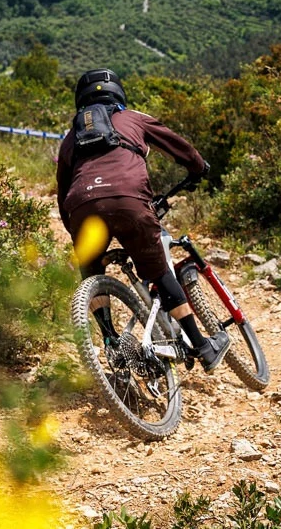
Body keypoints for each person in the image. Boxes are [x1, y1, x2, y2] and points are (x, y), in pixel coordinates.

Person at [56, 68, 231, 372]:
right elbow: (177, 145)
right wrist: (197, 166)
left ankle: (110, 341)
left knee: (91, 269)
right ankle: (202, 345)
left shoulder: (70, 138)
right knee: (159, 272)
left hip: (81, 207)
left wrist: (73, 228)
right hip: (129, 201)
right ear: (118, 93)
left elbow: (62, 192)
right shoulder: (133, 118)